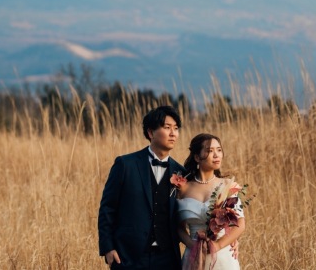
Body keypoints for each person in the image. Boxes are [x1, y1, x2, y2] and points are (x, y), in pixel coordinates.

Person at [98, 105, 184, 269]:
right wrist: (108, 247)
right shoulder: (125, 164)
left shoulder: (181, 172)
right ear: (151, 133)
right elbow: (107, 208)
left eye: (176, 128)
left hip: (168, 259)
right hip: (128, 256)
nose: (173, 133)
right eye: (167, 128)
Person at [176, 133, 246, 270]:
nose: (216, 155)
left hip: (223, 256)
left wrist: (218, 245)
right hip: (193, 257)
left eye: (219, 150)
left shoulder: (228, 185)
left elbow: (241, 224)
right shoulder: (183, 189)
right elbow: (179, 227)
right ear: (197, 157)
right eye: (210, 151)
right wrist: (191, 245)